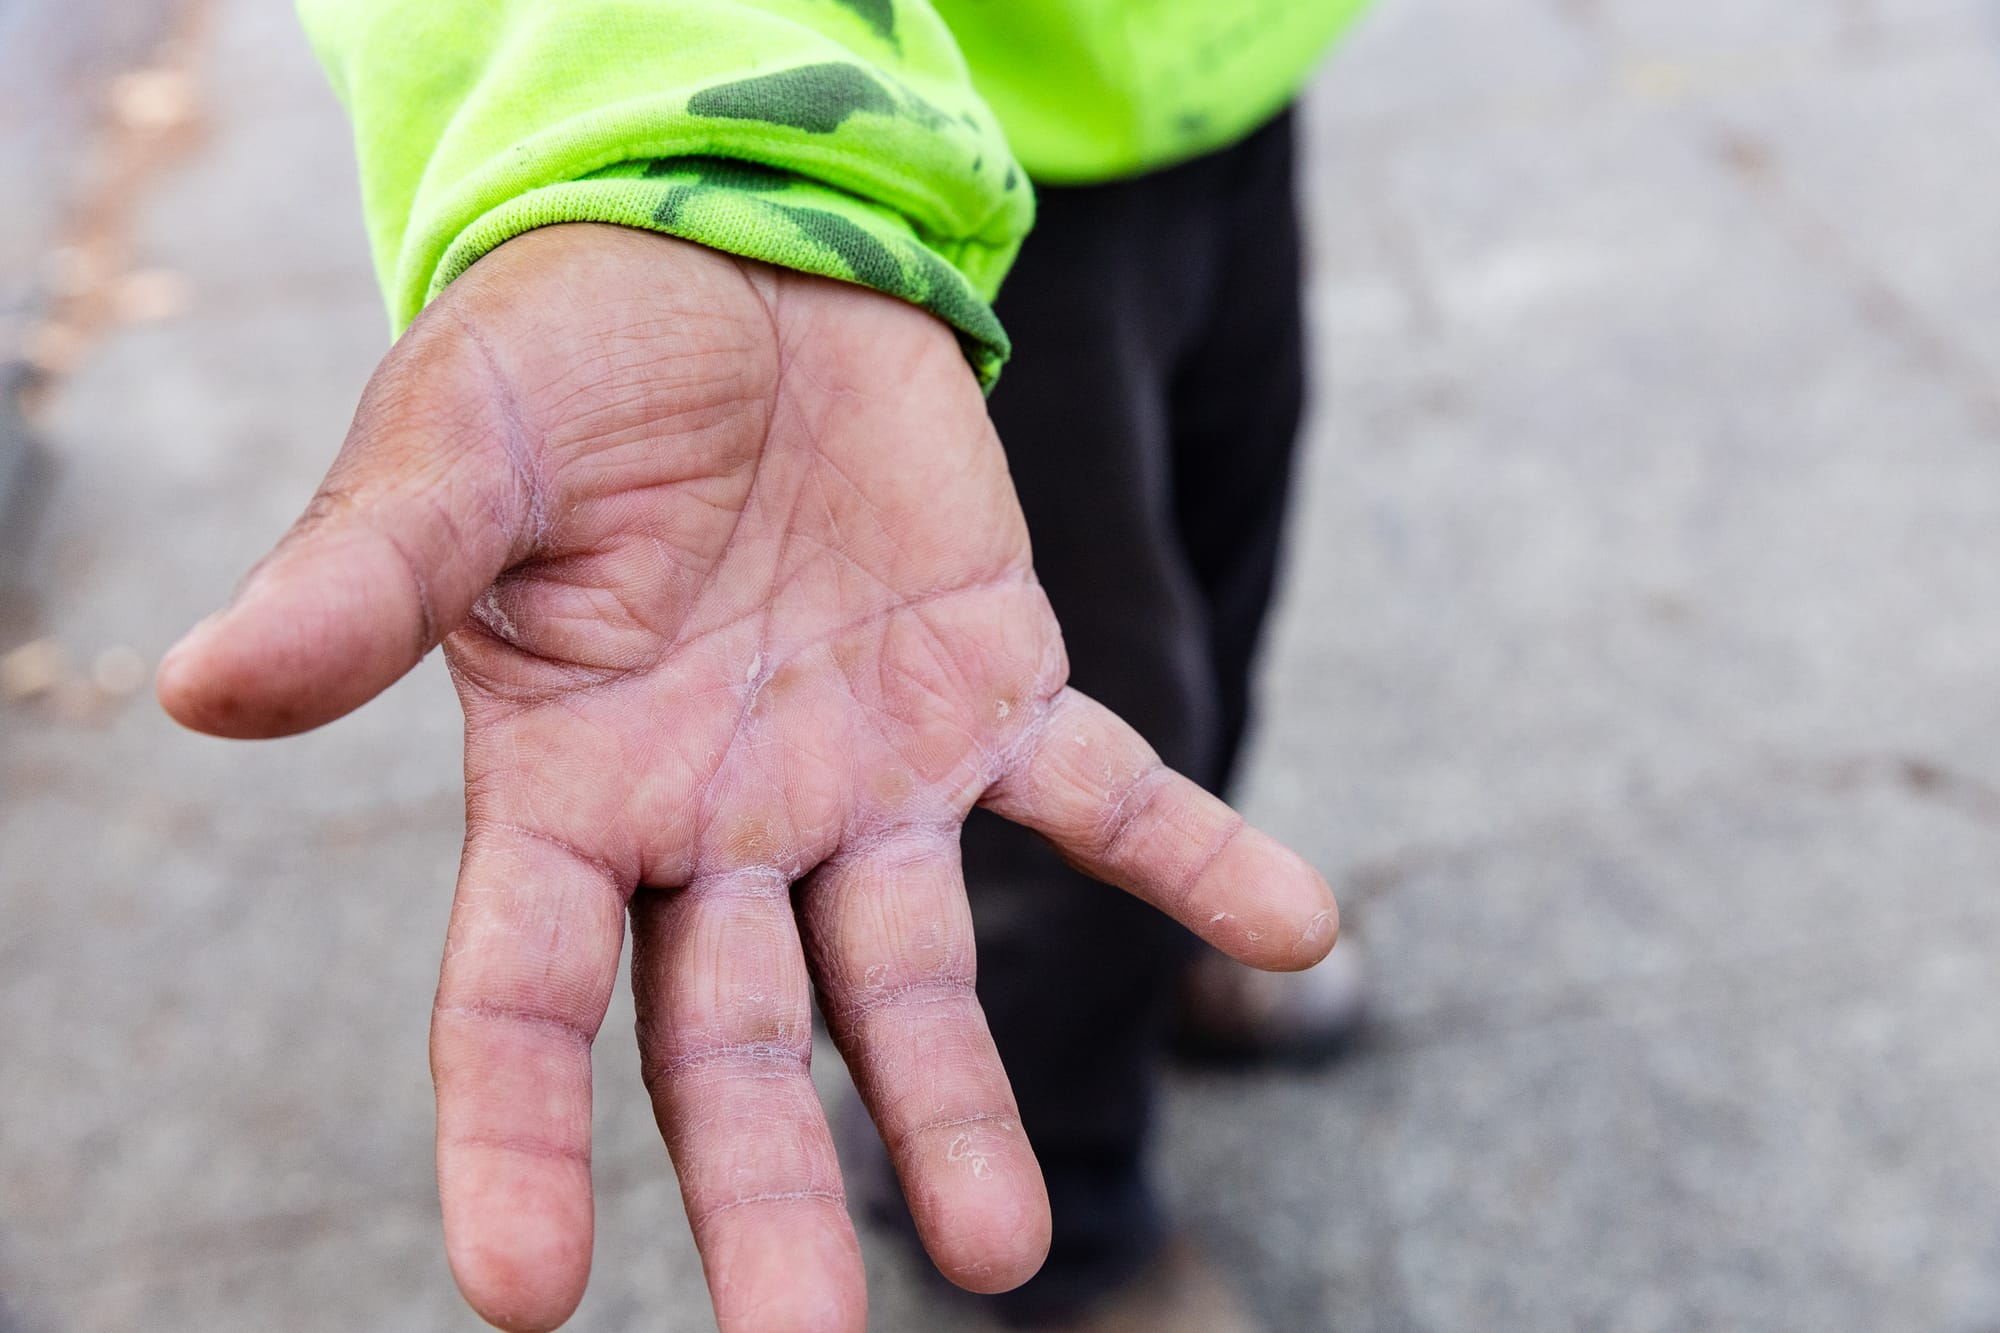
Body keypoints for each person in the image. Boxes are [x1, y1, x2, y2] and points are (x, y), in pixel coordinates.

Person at [158, 0, 1369, 1328]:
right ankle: (1076, 1213)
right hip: (886, 154)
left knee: (1213, 571)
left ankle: (1148, 962)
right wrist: (684, 157)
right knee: (1055, 731)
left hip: (1230, 58)